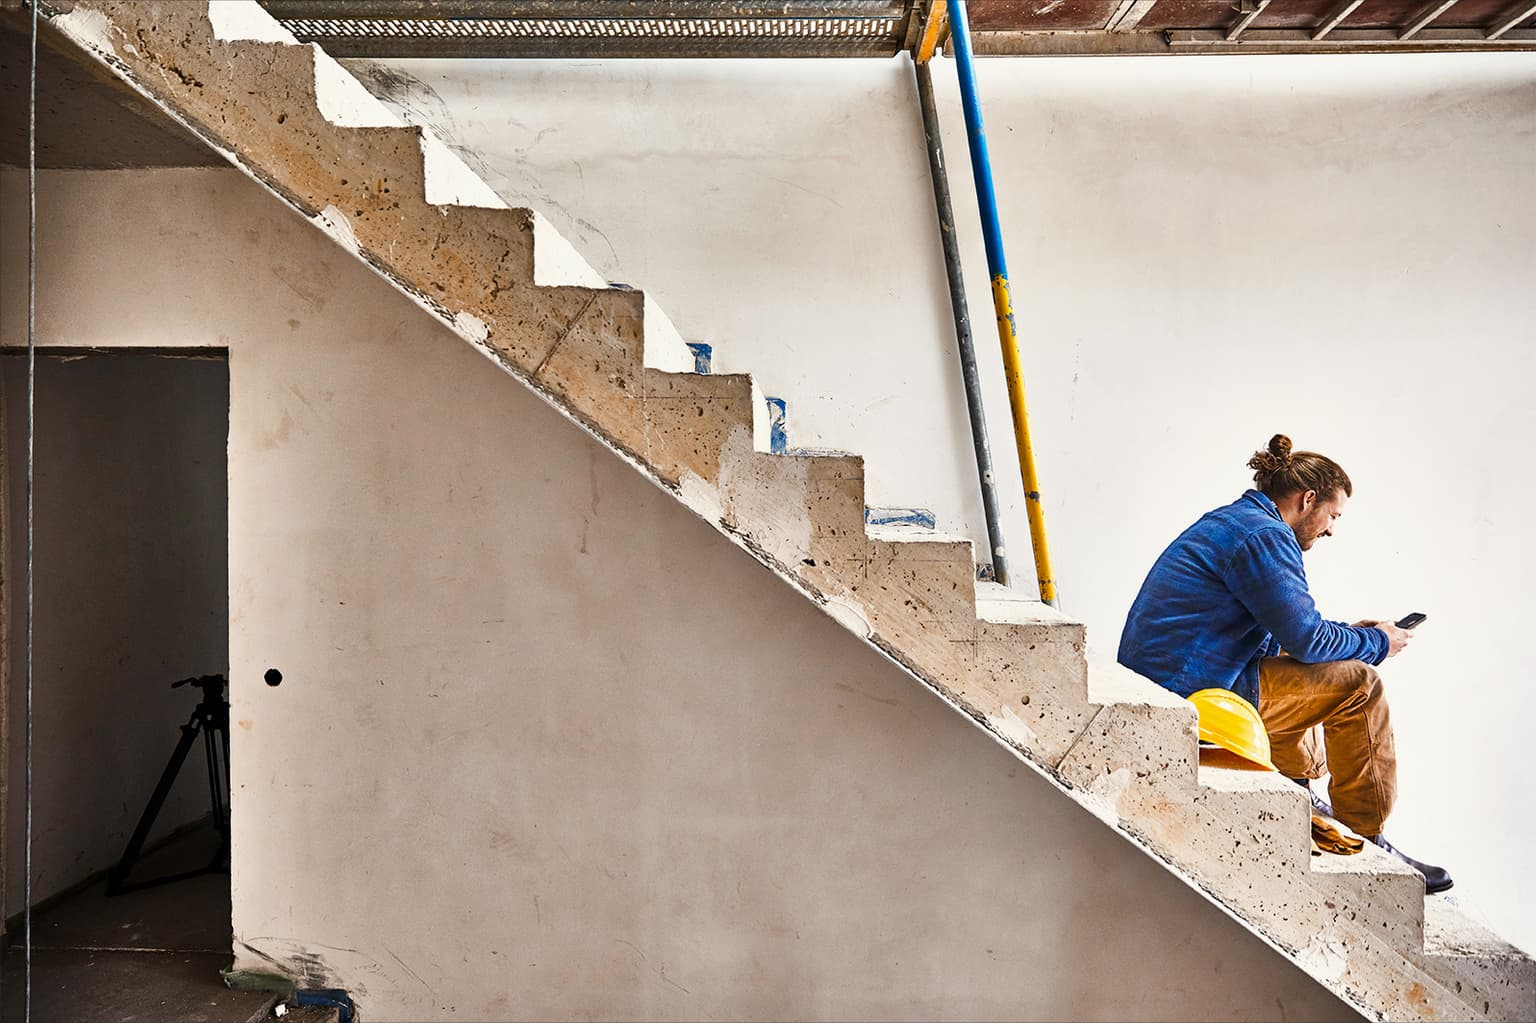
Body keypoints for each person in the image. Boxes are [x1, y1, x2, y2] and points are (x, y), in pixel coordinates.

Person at [1117, 434, 1451, 893]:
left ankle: (1296, 798)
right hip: (1191, 695)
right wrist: (1376, 642)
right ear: (1308, 499)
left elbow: (1284, 639)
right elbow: (1309, 640)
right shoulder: (1266, 536)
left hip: (1176, 680)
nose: (1332, 529)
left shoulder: (1236, 522)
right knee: (1358, 684)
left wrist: (1353, 635)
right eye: (1333, 516)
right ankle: (1365, 836)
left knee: (1321, 674)